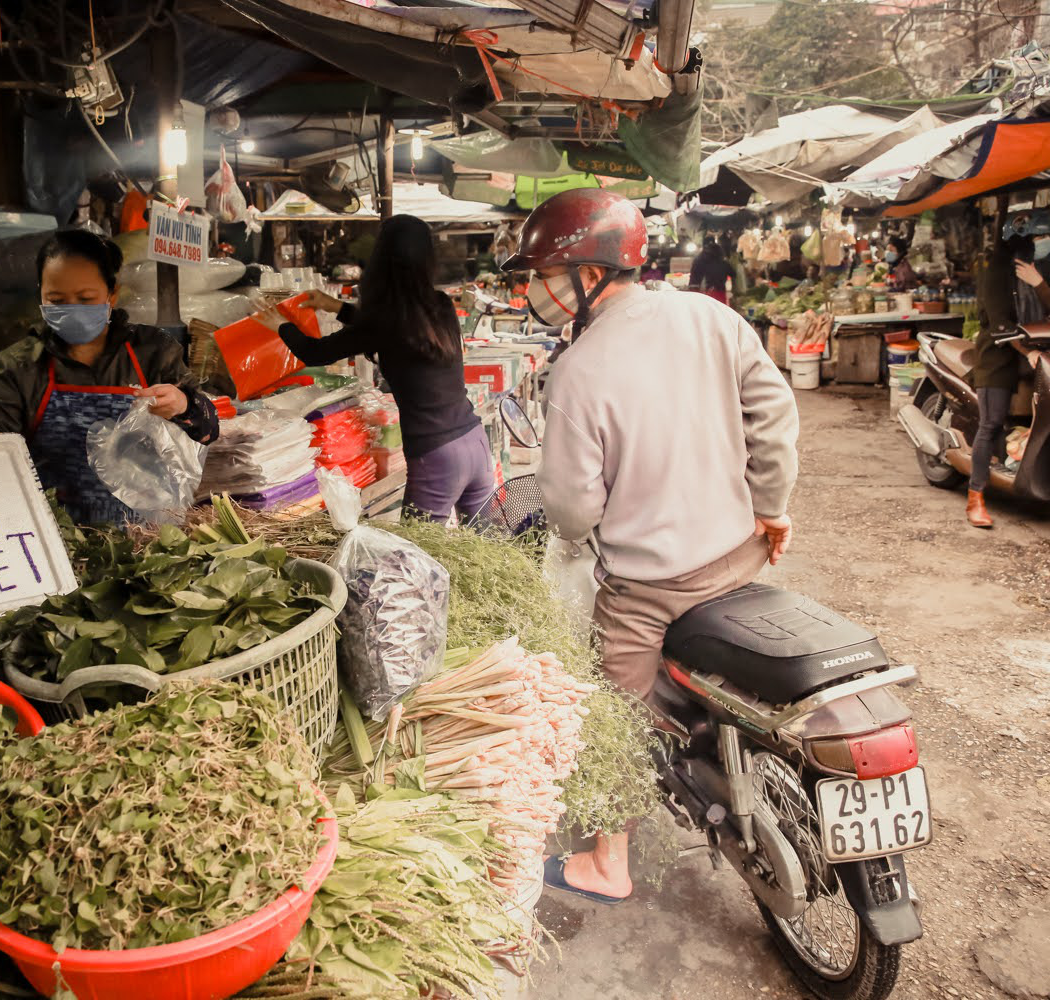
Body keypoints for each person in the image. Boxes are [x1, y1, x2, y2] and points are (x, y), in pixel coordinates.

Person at [501, 188, 800, 903]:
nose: (536, 292)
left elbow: (572, 514)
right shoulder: (711, 316)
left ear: (588, 274)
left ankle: (609, 861)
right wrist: (772, 508)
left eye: (542, 276)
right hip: (740, 554)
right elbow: (775, 415)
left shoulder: (576, 371)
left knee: (615, 711)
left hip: (649, 591)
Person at [0, 229, 219, 524]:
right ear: (41, 296)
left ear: (112, 295)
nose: (72, 309)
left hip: (146, 534)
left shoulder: (152, 352)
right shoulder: (21, 365)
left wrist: (183, 405)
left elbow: (208, 431)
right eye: (57, 300)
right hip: (56, 533)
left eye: (85, 298)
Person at [258, 215, 493, 522]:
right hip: (475, 442)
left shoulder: (386, 319)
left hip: (438, 455)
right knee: (490, 546)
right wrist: (335, 306)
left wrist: (280, 325)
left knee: (418, 561)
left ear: (381, 261)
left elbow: (314, 352)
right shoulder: (440, 305)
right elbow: (394, 329)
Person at [966, 221, 1050, 528]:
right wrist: (1028, 351)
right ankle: (975, 498)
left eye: (1046, 237)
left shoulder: (1044, 269)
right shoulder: (996, 273)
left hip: (1043, 352)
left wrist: (1038, 283)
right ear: (1019, 242)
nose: (1043, 243)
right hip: (999, 356)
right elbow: (1000, 325)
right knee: (991, 423)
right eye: (1038, 237)